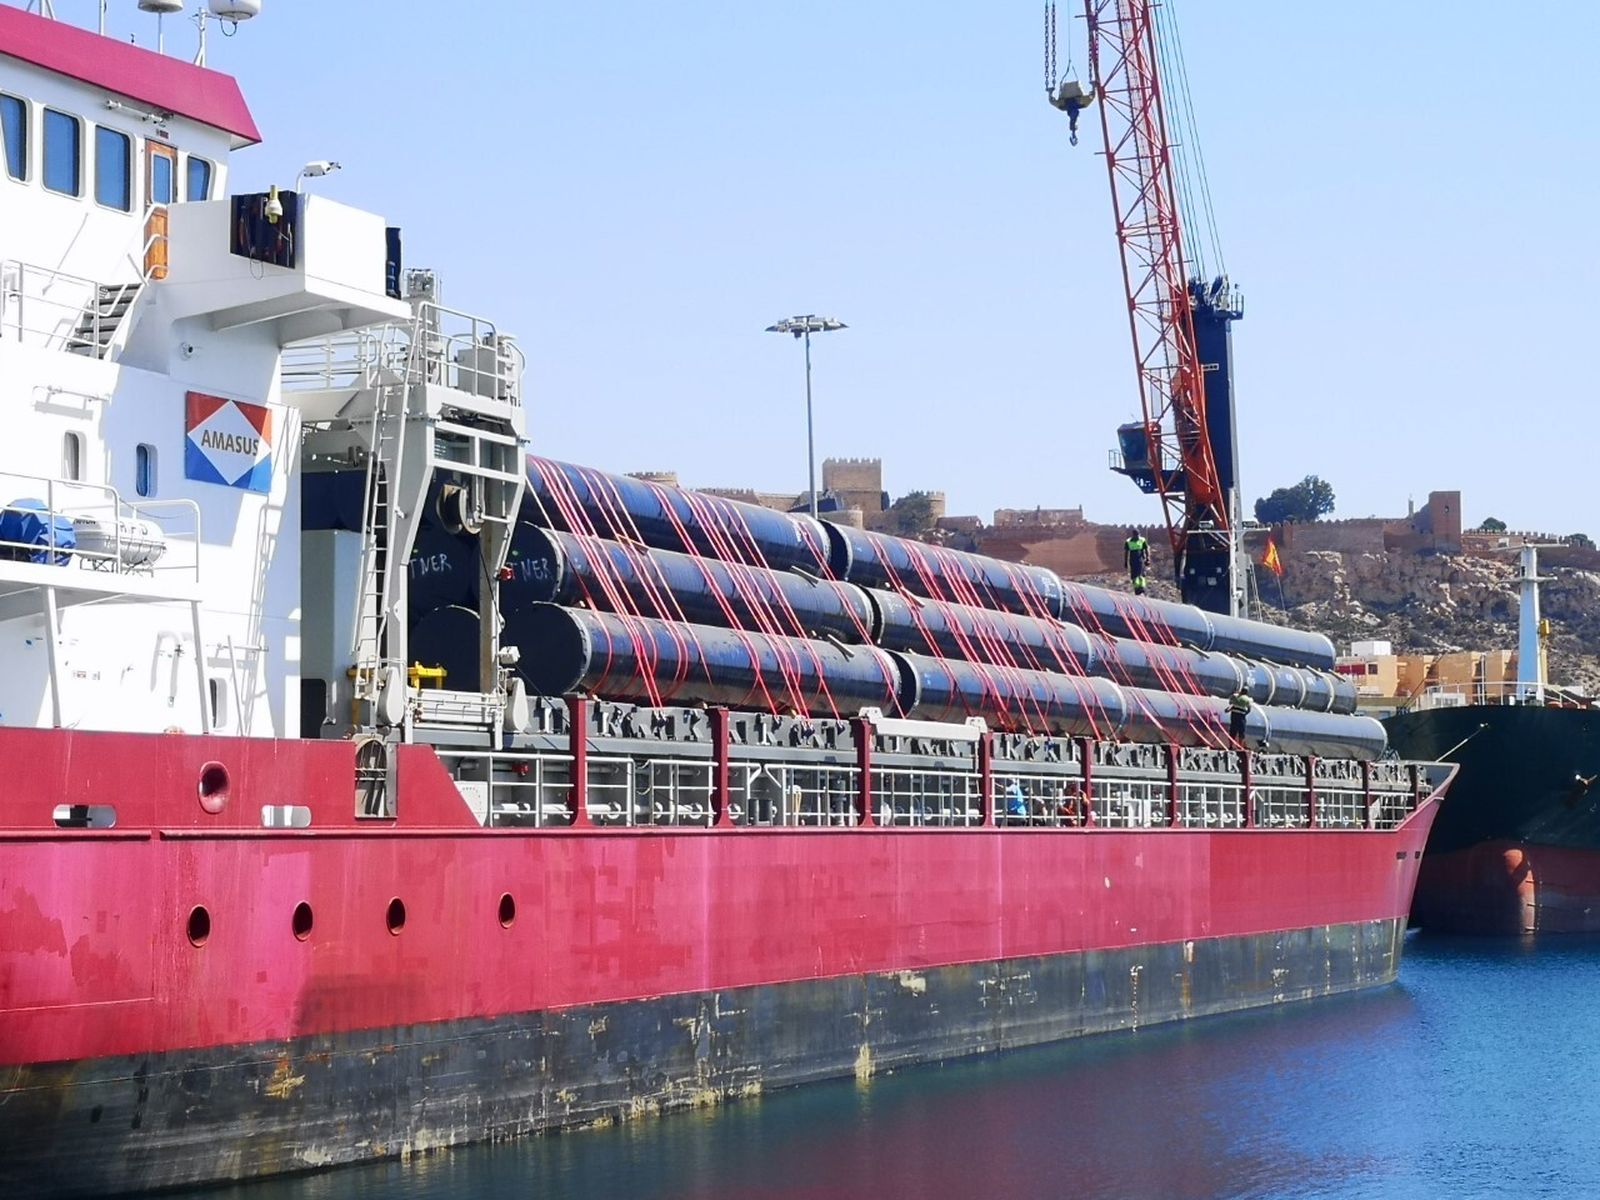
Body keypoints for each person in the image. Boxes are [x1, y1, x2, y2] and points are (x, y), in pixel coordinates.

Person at [1124, 527, 1149, 596]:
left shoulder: (1142, 540)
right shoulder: (1128, 541)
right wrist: (1125, 562)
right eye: (1136, 536)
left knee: (1141, 575)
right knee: (1134, 576)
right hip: (1132, 561)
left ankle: (1142, 589)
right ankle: (1137, 589)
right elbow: (1126, 553)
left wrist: (1148, 558)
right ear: (1133, 535)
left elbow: (1146, 549)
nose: (1137, 537)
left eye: (1138, 535)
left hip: (1140, 560)